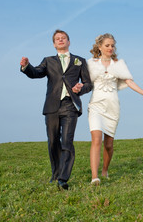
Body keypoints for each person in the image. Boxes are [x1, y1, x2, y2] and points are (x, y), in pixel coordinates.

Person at [20, 29, 92, 190]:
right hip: (52, 106)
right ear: (54, 44)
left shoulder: (79, 61)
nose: (60, 40)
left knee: (67, 141)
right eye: (57, 39)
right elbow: (36, 72)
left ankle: (63, 178)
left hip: (70, 106)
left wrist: (81, 87)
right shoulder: (48, 60)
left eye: (63, 38)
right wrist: (26, 67)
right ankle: (55, 173)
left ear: (68, 41)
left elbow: (89, 84)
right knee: (53, 141)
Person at [87, 33, 143, 185]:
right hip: (96, 105)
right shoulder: (91, 63)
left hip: (112, 106)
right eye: (107, 45)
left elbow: (129, 81)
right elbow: (83, 80)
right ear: (99, 47)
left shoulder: (119, 64)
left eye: (112, 45)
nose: (110, 48)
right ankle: (94, 177)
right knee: (96, 139)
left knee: (108, 144)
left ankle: (105, 170)